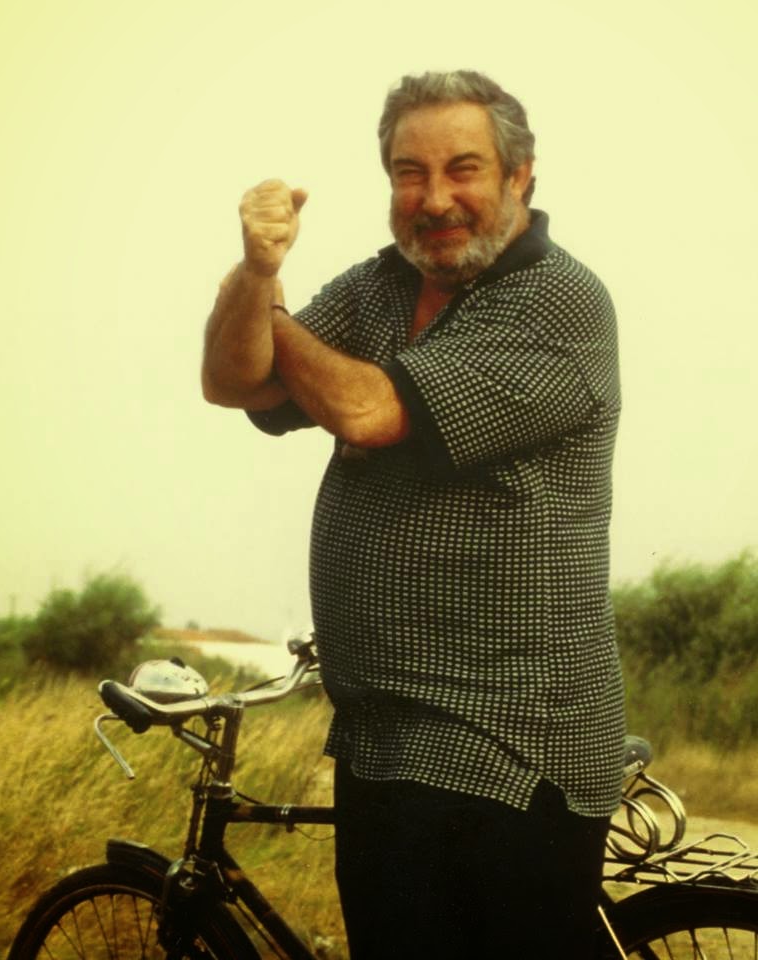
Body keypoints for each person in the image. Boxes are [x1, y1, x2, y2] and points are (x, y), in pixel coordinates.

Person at [202, 69, 625, 959]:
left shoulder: (560, 301)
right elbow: (235, 381)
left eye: (463, 169)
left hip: (510, 750)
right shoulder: (381, 287)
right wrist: (258, 272)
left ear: (520, 176)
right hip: (387, 741)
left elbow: (368, 409)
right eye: (409, 173)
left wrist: (275, 317)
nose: (434, 200)